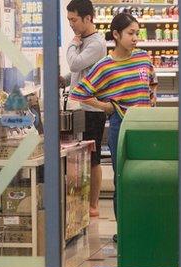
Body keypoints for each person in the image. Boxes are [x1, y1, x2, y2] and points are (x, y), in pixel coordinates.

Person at [69, 11, 157, 233]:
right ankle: (125, 230)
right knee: (123, 179)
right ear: (116, 34)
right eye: (131, 33)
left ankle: (145, 226)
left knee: (147, 178)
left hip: (146, 125)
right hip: (122, 125)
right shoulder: (105, 66)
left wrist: (151, 97)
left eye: (137, 33)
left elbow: (152, 81)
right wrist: (105, 106)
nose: (136, 38)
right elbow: (79, 92)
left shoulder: (143, 57)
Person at [61, 0, 106, 218]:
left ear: (88, 18)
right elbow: (81, 72)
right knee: (81, 157)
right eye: (69, 20)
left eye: (74, 20)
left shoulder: (95, 43)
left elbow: (75, 63)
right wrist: (65, 80)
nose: (71, 24)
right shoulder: (85, 40)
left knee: (93, 158)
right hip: (80, 106)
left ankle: (94, 205)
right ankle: (81, 200)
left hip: (92, 109)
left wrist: (71, 44)